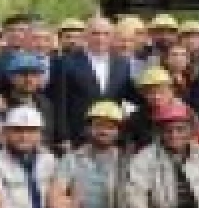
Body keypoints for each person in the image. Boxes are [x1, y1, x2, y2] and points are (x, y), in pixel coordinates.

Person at [55, 101, 158, 208]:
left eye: (110, 127)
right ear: (88, 129)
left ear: (118, 131)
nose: (103, 131)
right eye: (98, 126)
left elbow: (141, 197)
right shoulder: (71, 158)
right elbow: (56, 191)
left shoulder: (128, 161)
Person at [47, 16, 135, 148]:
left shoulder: (123, 64)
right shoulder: (65, 62)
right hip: (78, 136)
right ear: (85, 36)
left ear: (112, 37)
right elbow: (60, 101)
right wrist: (63, 136)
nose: (100, 38)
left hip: (112, 135)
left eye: (106, 34)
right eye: (95, 33)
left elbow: (130, 97)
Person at [0, 52, 54, 156]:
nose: (29, 79)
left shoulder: (45, 104)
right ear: (11, 77)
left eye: (34, 74)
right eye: (23, 74)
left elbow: (47, 138)